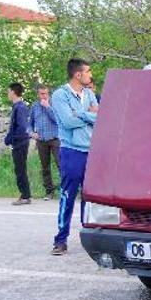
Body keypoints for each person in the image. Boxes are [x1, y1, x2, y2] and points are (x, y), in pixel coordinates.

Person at [51, 58, 99, 256]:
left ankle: (88, 237)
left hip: (91, 150)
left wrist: (80, 114)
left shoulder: (89, 93)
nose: (90, 75)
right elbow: (67, 122)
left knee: (89, 197)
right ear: (77, 75)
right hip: (72, 151)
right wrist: (87, 114)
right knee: (68, 195)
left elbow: (100, 117)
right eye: (87, 72)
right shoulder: (60, 95)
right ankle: (61, 240)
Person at [29, 84, 61, 200]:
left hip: (55, 139)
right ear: (38, 94)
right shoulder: (34, 107)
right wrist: (32, 133)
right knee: (45, 167)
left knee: (60, 164)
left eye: (46, 93)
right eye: (41, 94)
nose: (44, 96)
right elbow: (29, 124)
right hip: (41, 140)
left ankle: (66, 190)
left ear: (49, 94)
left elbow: (57, 120)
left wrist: (48, 107)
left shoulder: (54, 104)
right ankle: (49, 192)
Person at [4, 82, 31, 205]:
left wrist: (12, 139)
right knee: (20, 169)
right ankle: (25, 195)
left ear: (13, 92)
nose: (7, 93)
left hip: (20, 143)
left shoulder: (20, 107)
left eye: (8, 91)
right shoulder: (17, 107)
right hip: (20, 142)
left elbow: (21, 127)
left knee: (20, 169)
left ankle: (25, 196)